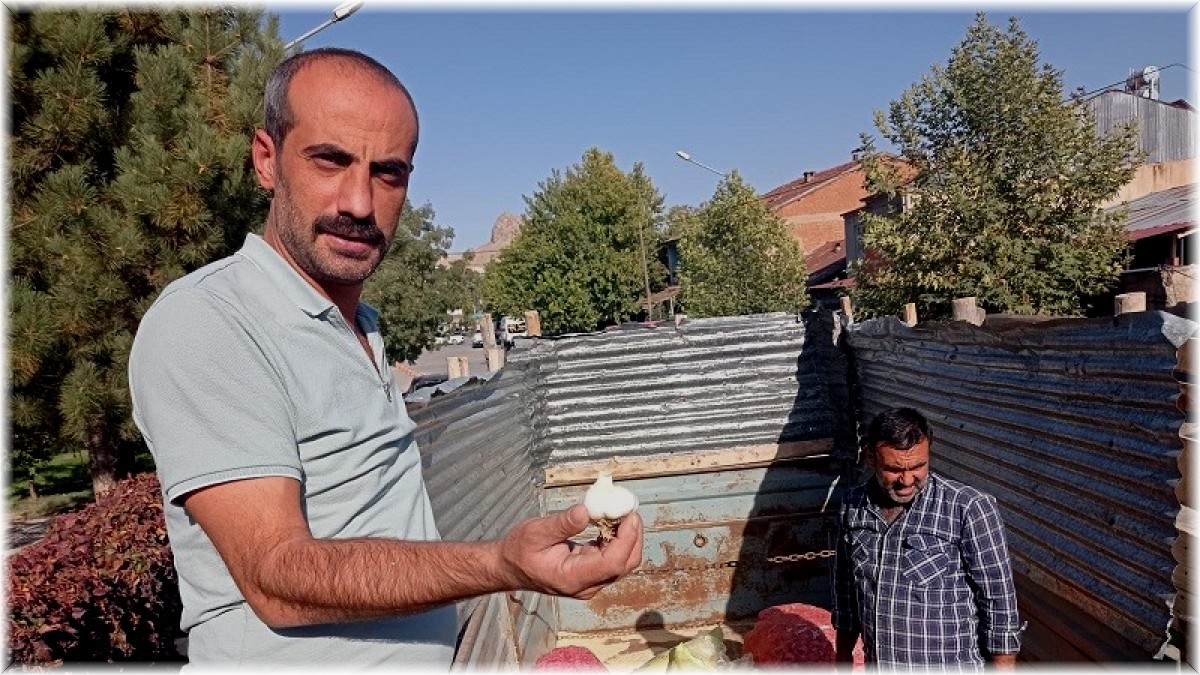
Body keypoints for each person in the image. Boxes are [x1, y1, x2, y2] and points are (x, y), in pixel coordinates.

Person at [128, 47, 642, 669]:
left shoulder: (360, 325)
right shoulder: (210, 322)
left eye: (388, 173)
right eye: (330, 160)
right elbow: (277, 577)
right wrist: (500, 563)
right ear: (267, 160)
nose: (360, 203)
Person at [831, 408, 1022, 671]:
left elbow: (999, 602)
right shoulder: (852, 506)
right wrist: (842, 658)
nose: (907, 480)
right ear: (871, 459)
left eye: (918, 466)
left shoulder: (968, 508)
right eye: (894, 469)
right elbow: (845, 591)